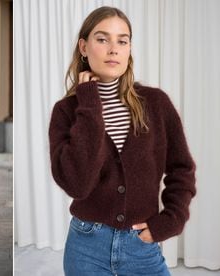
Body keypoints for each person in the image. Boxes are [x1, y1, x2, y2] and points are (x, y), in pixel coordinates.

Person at [48, 6, 196, 276]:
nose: (113, 49)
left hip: (141, 246)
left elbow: (182, 169)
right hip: (86, 247)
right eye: (102, 39)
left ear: (129, 48)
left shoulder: (156, 103)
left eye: (122, 40)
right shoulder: (66, 111)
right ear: (84, 46)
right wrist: (90, 105)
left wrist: (170, 221)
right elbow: (77, 185)